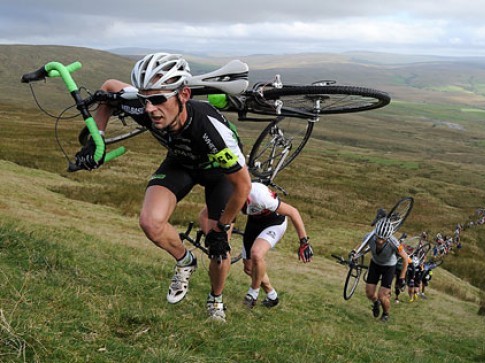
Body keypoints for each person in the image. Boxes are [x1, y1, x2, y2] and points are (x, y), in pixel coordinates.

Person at [74, 53, 251, 322]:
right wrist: (95, 140)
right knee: (150, 222)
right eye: (145, 100)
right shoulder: (146, 104)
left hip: (219, 175)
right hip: (180, 162)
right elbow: (109, 88)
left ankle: (215, 299)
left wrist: (224, 225)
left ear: (184, 95)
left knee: (219, 249)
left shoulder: (211, 130)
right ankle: (185, 261)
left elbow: (243, 185)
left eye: (158, 100)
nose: (149, 109)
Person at [239, 182, 313, 309]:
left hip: (274, 222)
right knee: (249, 268)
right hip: (254, 222)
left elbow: (293, 212)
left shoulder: (260, 196)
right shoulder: (229, 195)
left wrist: (304, 242)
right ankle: (272, 296)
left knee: (257, 254)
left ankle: (253, 293)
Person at [351, 216, 409, 322]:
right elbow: (361, 245)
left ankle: (386, 313)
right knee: (369, 293)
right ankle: (376, 302)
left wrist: (402, 278)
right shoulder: (369, 236)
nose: (380, 241)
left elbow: (406, 259)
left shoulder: (394, 242)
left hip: (389, 267)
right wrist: (354, 252)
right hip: (375, 264)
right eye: (378, 237)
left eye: (383, 239)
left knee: (382, 296)